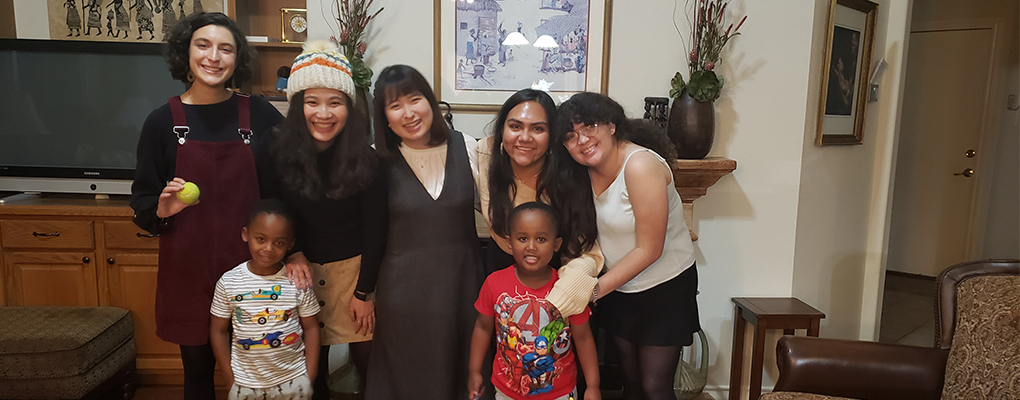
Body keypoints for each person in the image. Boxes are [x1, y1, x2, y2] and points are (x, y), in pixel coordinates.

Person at [130, 12, 284, 400]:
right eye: (203, 45)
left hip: (255, 272)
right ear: (187, 53)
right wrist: (162, 212)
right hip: (189, 271)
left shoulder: (261, 115)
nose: (213, 56)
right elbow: (143, 204)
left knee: (258, 370)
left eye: (225, 48)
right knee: (198, 371)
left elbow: (283, 193)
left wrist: (292, 253)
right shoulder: (162, 122)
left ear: (237, 60)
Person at [256, 40, 386, 399]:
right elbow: (271, 209)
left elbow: (376, 228)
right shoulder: (274, 147)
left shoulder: (367, 158)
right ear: (298, 105)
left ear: (349, 106)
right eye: (312, 102)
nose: (323, 114)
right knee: (309, 372)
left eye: (335, 102)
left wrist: (364, 292)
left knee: (369, 363)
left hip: (355, 272)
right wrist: (293, 252)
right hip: (299, 271)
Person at [554, 93, 700, 400]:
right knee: (630, 383)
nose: (582, 140)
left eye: (589, 126)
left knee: (654, 387)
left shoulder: (640, 165)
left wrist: (592, 291)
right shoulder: (581, 173)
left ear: (611, 126)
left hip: (665, 289)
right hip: (620, 289)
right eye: (571, 135)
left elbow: (650, 249)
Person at [365, 64, 482, 400]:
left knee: (464, 372)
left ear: (430, 102)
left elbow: (496, 214)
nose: (408, 113)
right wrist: (363, 293)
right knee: (407, 376)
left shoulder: (468, 147)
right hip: (403, 294)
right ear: (384, 116)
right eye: (395, 105)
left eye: (415, 99)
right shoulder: (377, 161)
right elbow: (370, 232)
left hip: (463, 284)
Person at [477, 88, 602, 319]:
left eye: (538, 129)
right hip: (500, 293)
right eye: (515, 126)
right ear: (501, 130)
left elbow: (586, 250)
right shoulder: (483, 159)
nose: (525, 137)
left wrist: (563, 295)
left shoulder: (570, 176)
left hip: (557, 294)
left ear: (552, 135)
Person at [468, 202, 600, 400]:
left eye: (541, 239)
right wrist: (474, 372)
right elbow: (482, 328)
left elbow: (584, 338)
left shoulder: (568, 288)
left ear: (556, 244)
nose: (531, 246)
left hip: (560, 394)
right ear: (509, 243)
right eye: (522, 238)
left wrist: (593, 386)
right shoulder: (494, 283)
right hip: (507, 392)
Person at [209, 199, 321, 400]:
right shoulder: (228, 282)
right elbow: (217, 331)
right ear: (246, 235)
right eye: (261, 239)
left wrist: (309, 376)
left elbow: (312, 328)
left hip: (294, 381)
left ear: (290, 244)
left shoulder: (297, 281)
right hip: (245, 384)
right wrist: (230, 378)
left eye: (279, 242)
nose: (268, 248)